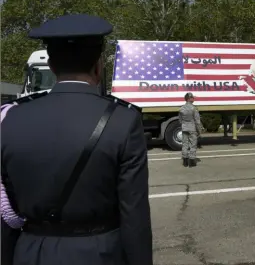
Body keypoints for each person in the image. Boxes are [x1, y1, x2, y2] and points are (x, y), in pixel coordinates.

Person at [1, 14, 153, 265]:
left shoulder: (10, 119)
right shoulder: (123, 120)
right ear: (98, 64)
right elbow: (134, 214)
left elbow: (4, 214)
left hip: (30, 251)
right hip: (100, 252)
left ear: (51, 65)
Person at [178, 92, 202, 167]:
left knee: (185, 144)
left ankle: (185, 161)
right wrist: (199, 131)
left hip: (184, 127)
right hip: (192, 128)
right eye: (192, 98)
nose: (193, 99)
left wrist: (184, 125)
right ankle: (192, 162)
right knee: (193, 144)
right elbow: (197, 121)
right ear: (189, 99)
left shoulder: (181, 108)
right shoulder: (194, 108)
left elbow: (180, 120)